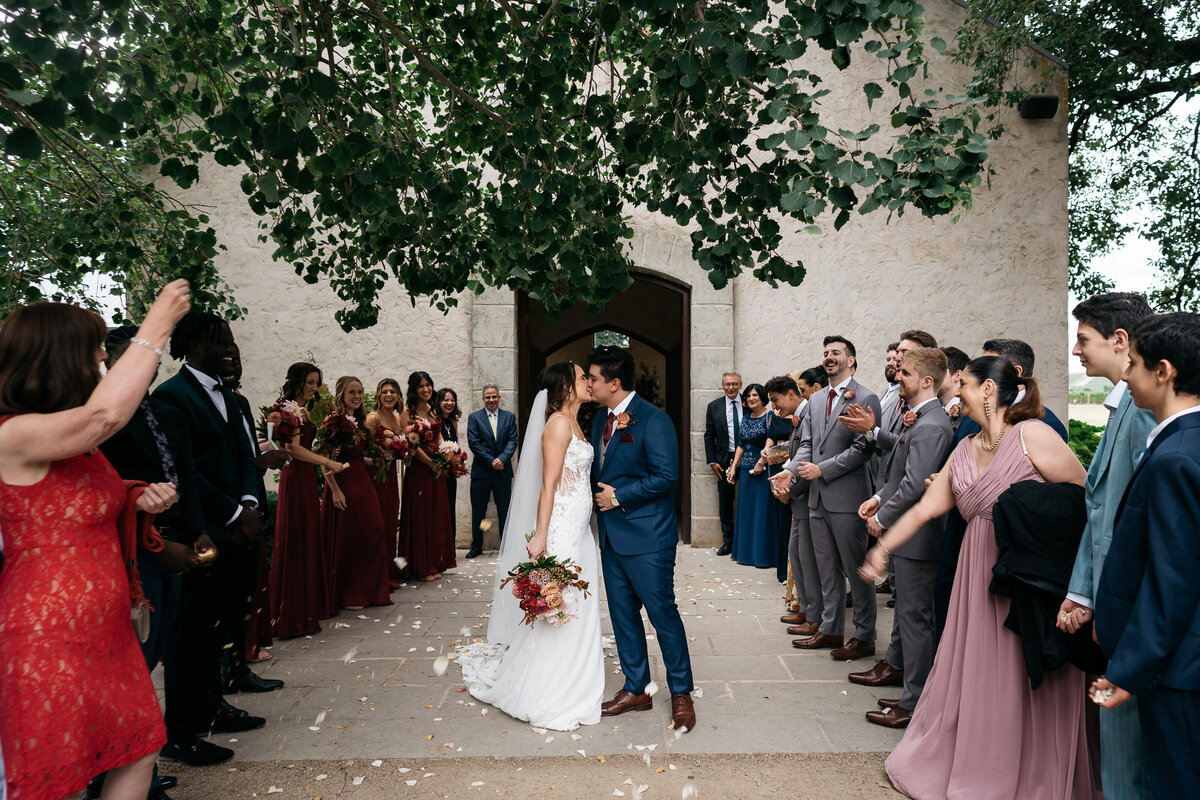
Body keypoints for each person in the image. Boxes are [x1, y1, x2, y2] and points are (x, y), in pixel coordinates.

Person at [860, 355, 1099, 799]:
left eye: (964, 384)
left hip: (1024, 576)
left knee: (1019, 669)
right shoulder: (965, 448)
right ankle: (982, 760)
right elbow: (928, 507)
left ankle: (1031, 769)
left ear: (989, 390)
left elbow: (1084, 501)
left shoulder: (1034, 435)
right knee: (982, 672)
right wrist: (883, 550)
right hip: (977, 574)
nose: (957, 393)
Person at [0, 280, 190, 800]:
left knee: (140, 745)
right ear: (58, 359)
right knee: (51, 779)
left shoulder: (73, 444)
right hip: (45, 636)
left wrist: (135, 497)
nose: (102, 364)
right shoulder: (11, 434)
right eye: (95, 353)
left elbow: (75, 500)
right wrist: (157, 325)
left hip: (105, 633)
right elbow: (103, 416)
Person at [153, 311, 274, 767]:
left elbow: (246, 456)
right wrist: (232, 511)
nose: (229, 348)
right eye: (220, 340)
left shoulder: (235, 401)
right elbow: (185, 472)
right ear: (194, 344)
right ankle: (180, 733)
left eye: (230, 339)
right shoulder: (172, 398)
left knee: (220, 627)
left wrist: (249, 502)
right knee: (190, 636)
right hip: (200, 534)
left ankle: (212, 708)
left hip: (238, 529)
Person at [456, 363, 604, 730]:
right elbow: (548, 485)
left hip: (580, 527)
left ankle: (576, 674)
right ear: (567, 387)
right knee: (561, 603)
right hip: (562, 529)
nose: (589, 382)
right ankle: (551, 687)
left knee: (579, 603)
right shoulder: (555, 424)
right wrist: (540, 536)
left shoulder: (575, 422)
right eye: (583, 377)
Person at [1091, 312, 1200, 800]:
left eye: (1133, 364)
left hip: (1181, 670)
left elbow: (1171, 579)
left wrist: (1127, 669)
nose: (1126, 376)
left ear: (1164, 371)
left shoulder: (1177, 457)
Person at [1054, 292, 1157, 800]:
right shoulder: (1123, 406)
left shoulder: (1140, 412)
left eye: (1083, 339)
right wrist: (1081, 591)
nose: (1076, 351)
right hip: (1111, 594)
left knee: (1128, 748)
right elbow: (1100, 515)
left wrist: (1097, 599)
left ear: (1120, 341)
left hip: (1130, 603)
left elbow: (1120, 520)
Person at [588, 346, 696, 733]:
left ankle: (681, 692)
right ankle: (637, 689)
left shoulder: (654, 419)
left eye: (593, 378)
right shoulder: (599, 419)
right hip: (612, 539)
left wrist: (619, 496)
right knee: (622, 616)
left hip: (649, 536)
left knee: (662, 613)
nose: (588, 383)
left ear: (614, 384)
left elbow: (667, 476)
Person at [848, 348, 952, 729]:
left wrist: (885, 518)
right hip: (908, 533)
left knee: (914, 619)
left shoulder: (932, 424)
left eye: (905, 373)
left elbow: (914, 484)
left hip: (918, 538)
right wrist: (877, 499)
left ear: (927, 381)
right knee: (908, 616)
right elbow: (898, 468)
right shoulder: (919, 420)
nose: (897, 377)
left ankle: (914, 703)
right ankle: (910, 691)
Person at [773, 336, 881, 660]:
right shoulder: (817, 399)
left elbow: (863, 449)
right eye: (826, 353)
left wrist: (822, 469)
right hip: (817, 498)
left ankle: (864, 635)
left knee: (856, 570)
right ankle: (831, 629)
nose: (829, 357)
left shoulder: (867, 397)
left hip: (849, 499)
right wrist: (791, 470)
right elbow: (807, 443)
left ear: (851, 360)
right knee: (826, 569)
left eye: (836, 352)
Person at [270, 362, 346, 638]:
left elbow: (305, 448)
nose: (315, 387)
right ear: (298, 381)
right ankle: (292, 616)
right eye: (311, 382)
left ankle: (306, 610)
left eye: (317, 382)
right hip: (296, 479)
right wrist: (326, 461)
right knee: (296, 539)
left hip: (305, 479)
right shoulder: (287, 410)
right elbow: (294, 450)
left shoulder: (300, 410)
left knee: (307, 539)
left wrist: (325, 448)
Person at [321, 376, 392, 611]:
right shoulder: (333, 421)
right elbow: (325, 460)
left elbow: (358, 456)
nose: (357, 396)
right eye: (352, 392)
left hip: (363, 481)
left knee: (374, 531)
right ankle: (352, 594)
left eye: (360, 392)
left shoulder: (361, 422)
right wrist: (335, 491)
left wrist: (378, 460)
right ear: (341, 394)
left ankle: (374, 591)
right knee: (349, 539)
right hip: (344, 483)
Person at [766, 373, 822, 631]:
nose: (774, 406)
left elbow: (809, 453)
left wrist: (791, 485)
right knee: (796, 555)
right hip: (798, 496)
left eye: (775, 400)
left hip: (808, 495)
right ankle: (806, 609)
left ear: (791, 393)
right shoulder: (799, 414)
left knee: (806, 558)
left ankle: (814, 617)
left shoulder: (809, 412)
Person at [398, 371, 457, 579]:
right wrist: (431, 463)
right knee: (421, 515)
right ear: (414, 389)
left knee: (436, 514)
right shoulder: (407, 412)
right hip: (421, 468)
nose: (426, 389)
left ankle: (435, 561)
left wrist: (446, 450)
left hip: (437, 467)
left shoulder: (432, 408)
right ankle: (421, 567)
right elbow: (411, 445)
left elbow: (439, 434)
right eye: (421, 386)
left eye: (428, 385)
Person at [727, 383, 790, 577]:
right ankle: (746, 554)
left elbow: (772, 441)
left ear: (762, 397)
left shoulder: (770, 416)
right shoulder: (745, 418)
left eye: (755, 395)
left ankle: (764, 555)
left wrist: (762, 462)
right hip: (746, 470)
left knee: (763, 513)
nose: (751, 398)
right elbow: (740, 445)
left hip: (763, 469)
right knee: (746, 512)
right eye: (748, 396)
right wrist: (734, 468)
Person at [466, 384, 519, 558]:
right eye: (488, 397)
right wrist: (491, 461)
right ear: (483, 399)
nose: (491, 400)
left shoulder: (509, 417)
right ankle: (476, 546)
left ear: (499, 398)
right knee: (479, 511)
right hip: (481, 472)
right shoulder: (474, 418)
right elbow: (474, 443)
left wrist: (502, 459)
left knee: (504, 511)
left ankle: (505, 547)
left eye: (494, 397)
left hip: (502, 472)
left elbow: (513, 440)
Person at [981, 338, 1069, 440]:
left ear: (1016, 372)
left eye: (986, 368)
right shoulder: (974, 416)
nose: (978, 375)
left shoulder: (1047, 424)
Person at [366, 378, 403, 588]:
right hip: (374, 477)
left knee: (390, 523)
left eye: (393, 391)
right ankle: (375, 577)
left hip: (389, 476)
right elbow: (361, 449)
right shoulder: (373, 418)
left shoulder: (397, 419)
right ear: (379, 395)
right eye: (385, 391)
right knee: (376, 525)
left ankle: (388, 574)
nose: (389, 395)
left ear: (398, 395)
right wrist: (377, 457)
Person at [703, 371, 744, 556]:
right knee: (725, 502)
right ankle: (728, 542)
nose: (731, 388)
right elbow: (709, 436)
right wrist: (712, 461)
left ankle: (745, 542)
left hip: (747, 458)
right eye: (727, 384)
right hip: (723, 460)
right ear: (722, 385)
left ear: (740, 385)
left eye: (734, 384)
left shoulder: (749, 402)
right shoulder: (714, 407)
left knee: (747, 500)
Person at [436, 387, 463, 529]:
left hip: (450, 474)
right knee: (440, 511)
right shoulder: (435, 421)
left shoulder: (453, 422)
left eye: (452, 400)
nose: (449, 403)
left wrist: (459, 462)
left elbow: (456, 447)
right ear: (438, 402)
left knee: (450, 508)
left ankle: (450, 549)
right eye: (445, 400)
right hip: (439, 473)